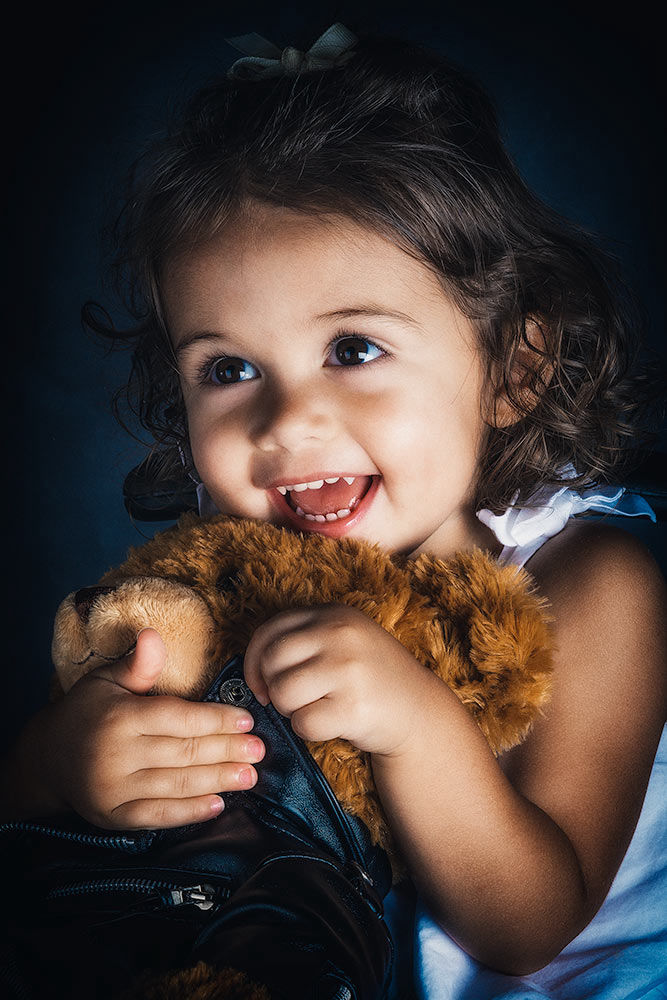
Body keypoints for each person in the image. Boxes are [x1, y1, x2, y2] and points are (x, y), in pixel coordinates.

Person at [2, 22, 665, 999]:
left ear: (513, 367)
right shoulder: (237, 583)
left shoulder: (592, 580)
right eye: (228, 368)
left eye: (352, 348)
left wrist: (414, 721)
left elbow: (529, 926)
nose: (287, 417)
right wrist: (63, 761)